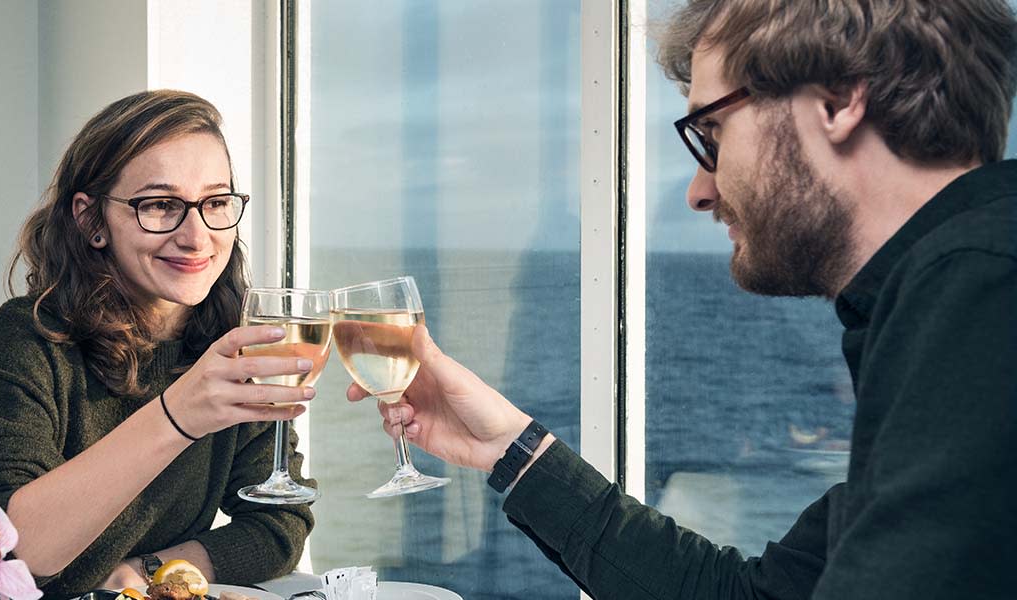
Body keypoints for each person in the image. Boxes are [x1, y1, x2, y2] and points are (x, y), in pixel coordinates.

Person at [352, 1, 1017, 598]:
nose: (699, 190)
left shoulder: (982, 294)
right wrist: (509, 445)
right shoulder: (954, 297)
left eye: (712, 134)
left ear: (838, 101)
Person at [0, 90, 318, 598]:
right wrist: (180, 414)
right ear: (92, 221)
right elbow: (4, 552)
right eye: (160, 205)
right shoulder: (30, 337)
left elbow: (278, 524)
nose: (197, 236)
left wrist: (148, 571)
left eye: (216, 202)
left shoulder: (231, 340)